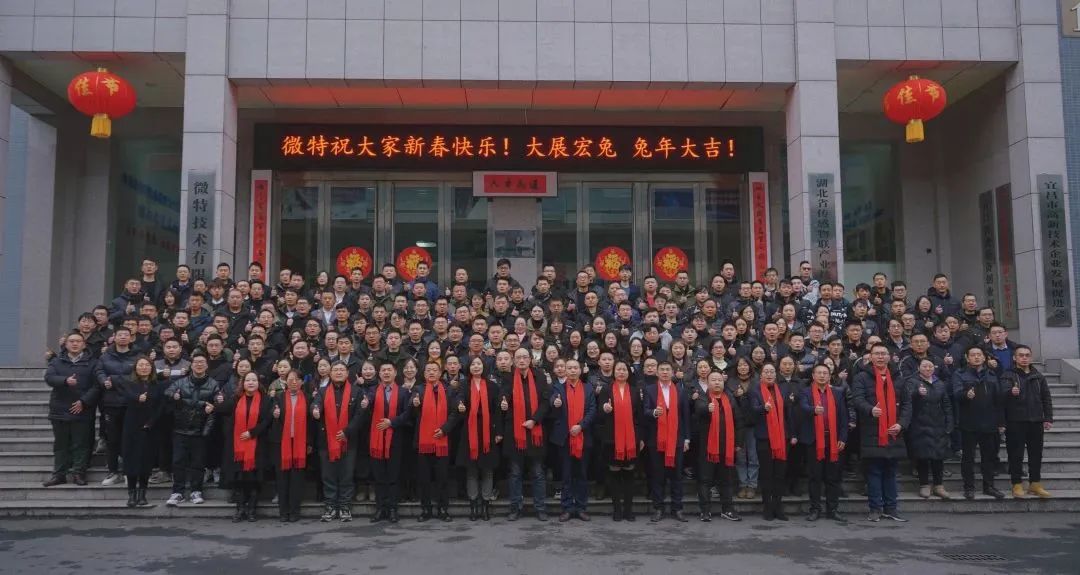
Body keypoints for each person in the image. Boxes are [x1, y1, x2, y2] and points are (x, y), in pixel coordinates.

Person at [852, 343, 912, 522]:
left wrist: (901, 424)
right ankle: (875, 508)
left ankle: (891, 508)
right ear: (870, 357)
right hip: (872, 432)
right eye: (876, 354)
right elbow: (858, 400)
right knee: (874, 472)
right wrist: (870, 409)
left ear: (889, 357)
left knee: (891, 473)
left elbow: (907, 404)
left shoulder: (898, 378)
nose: (880, 357)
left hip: (894, 431)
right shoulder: (862, 377)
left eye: (883, 353)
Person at [43, 332, 101, 487]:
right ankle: (59, 474)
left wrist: (84, 401)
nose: (75, 344)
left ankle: (78, 473)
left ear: (84, 344)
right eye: (72, 341)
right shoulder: (57, 361)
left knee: (81, 444)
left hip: (82, 409)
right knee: (60, 445)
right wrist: (65, 381)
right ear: (66, 344)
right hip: (60, 409)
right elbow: (49, 378)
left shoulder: (93, 363)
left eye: (78, 341)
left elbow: (97, 386)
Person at [163, 353, 221, 506]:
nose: (199, 365)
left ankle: (196, 491)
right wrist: (174, 396)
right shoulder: (180, 382)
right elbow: (167, 392)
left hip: (200, 429)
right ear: (191, 365)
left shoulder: (213, 384)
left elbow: (219, 401)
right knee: (178, 462)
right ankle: (177, 492)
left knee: (198, 463)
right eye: (196, 362)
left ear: (206, 365)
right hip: (180, 428)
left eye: (202, 362)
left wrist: (214, 406)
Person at [501, 348, 551, 521]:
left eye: (524, 357)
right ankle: (515, 508)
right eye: (518, 358)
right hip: (515, 433)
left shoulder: (540, 377)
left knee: (538, 473)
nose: (521, 360)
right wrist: (503, 403)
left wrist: (534, 420)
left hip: (535, 431)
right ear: (514, 361)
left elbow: (545, 402)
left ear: (530, 359)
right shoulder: (507, 378)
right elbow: (503, 398)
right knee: (515, 473)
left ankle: (540, 508)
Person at [311, 362, 366, 522]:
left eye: (342, 370)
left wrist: (347, 431)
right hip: (326, 441)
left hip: (348, 441)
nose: (339, 372)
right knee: (328, 475)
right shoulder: (322, 391)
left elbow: (360, 415)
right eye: (335, 370)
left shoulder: (356, 391)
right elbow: (315, 404)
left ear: (347, 373)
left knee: (346, 475)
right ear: (330, 373)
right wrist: (314, 410)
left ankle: (344, 506)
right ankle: (330, 506)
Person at [1000, 345, 1054, 498]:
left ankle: (1035, 484)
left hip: (1036, 421)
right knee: (1015, 454)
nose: (1024, 358)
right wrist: (1010, 392)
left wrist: (1048, 417)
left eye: (1027, 355)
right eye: (1021, 355)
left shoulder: (1038, 376)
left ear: (1031, 357)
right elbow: (1000, 397)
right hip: (1015, 421)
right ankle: (1016, 484)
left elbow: (1046, 398)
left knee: (1036, 454)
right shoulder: (1007, 375)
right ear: (1014, 358)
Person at [952, 346, 1005, 500]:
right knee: (968, 458)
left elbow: (998, 400)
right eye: (973, 355)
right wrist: (965, 395)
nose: (976, 357)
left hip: (989, 422)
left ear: (984, 358)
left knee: (989, 457)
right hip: (969, 422)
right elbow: (956, 394)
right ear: (967, 358)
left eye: (979, 355)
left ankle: (989, 486)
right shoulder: (960, 374)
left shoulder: (992, 374)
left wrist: (1001, 422)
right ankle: (969, 487)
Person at [799, 363, 848, 522]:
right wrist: (813, 410)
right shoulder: (805, 392)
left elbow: (843, 417)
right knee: (815, 477)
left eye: (825, 373)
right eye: (818, 373)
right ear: (813, 376)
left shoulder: (837, 393)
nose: (822, 376)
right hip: (814, 441)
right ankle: (815, 509)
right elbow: (803, 407)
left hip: (833, 440)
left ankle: (832, 509)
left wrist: (842, 438)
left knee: (833, 477)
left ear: (829, 376)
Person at [221, 372, 272, 522]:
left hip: (257, 445)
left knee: (253, 479)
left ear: (258, 383)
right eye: (247, 380)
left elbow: (267, 420)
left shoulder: (266, 400)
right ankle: (240, 509)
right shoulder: (235, 399)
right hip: (238, 447)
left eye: (254, 380)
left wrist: (252, 432)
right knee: (239, 479)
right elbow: (223, 410)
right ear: (242, 383)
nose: (250, 383)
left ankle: (251, 510)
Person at [644, 361, 690, 522]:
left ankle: (677, 509)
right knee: (658, 476)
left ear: (673, 373)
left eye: (667, 370)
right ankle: (658, 508)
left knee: (677, 476)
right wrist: (653, 412)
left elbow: (685, 416)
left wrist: (686, 438)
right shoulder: (650, 390)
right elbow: (644, 411)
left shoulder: (680, 391)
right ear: (657, 373)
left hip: (677, 439)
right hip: (656, 439)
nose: (664, 372)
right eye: (662, 370)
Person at [694, 370, 743, 522]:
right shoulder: (702, 397)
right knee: (705, 480)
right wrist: (706, 409)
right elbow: (698, 410)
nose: (717, 382)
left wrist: (738, 443)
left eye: (719, 380)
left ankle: (727, 509)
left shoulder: (729, 398)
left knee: (726, 480)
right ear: (707, 383)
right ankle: (705, 511)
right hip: (707, 448)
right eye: (713, 380)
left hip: (727, 447)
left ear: (723, 382)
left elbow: (738, 421)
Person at [550, 359, 596, 522]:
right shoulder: (558, 387)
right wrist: (555, 403)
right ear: (565, 370)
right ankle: (567, 508)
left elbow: (592, 410)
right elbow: (552, 401)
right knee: (566, 475)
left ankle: (581, 507)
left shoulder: (588, 388)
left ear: (580, 370)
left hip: (583, 436)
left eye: (575, 368)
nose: (572, 370)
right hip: (565, 438)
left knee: (582, 475)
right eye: (569, 368)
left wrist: (581, 426)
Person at [413, 362, 459, 522]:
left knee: (442, 478)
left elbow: (454, 413)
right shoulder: (418, 389)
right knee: (424, 478)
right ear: (424, 373)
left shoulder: (448, 390)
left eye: (434, 370)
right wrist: (415, 405)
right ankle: (426, 509)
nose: (431, 372)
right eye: (428, 370)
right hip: (423, 441)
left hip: (442, 440)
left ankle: (443, 509)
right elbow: (412, 411)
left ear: (440, 373)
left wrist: (444, 429)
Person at [597, 361, 643, 521]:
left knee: (629, 474)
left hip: (631, 439)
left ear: (628, 373)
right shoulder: (606, 389)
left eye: (624, 369)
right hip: (612, 438)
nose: (621, 372)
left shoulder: (635, 391)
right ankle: (617, 509)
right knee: (614, 474)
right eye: (618, 369)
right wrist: (605, 409)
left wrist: (640, 437)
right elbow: (599, 413)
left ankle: (628, 510)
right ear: (614, 372)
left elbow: (639, 417)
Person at [458, 356, 502, 521]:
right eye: (473, 364)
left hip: (488, 431)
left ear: (483, 366)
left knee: (487, 469)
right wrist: (460, 405)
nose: (476, 366)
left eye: (479, 364)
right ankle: (473, 505)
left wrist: (498, 432)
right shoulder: (464, 385)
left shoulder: (492, 386)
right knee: (471, 470)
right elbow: (459, 400)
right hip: (469, 431)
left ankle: (485, 505)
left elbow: (497, 411)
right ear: (469, 367)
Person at [95, 326, 140, 487]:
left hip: (131, 402)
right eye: (119, 334)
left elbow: (139, 376)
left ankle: (129, 472)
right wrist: (104, 380)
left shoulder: (138, 356)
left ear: (131, 338)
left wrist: (114, 379)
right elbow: (99, 372)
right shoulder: (105, 356)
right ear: (114, 337)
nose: (123, 337)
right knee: (112, 440)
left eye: (126, 335)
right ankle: (114, 472)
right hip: (111, 403)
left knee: (131, 439)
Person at [368, 362, 412, 523]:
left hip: (396, 439)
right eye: (383, 370)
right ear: (379, 374)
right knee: (379, 476)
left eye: (389, 370)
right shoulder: (372, 391)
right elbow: (367, 408)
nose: (386, 373)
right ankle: (380, 508)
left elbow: (408, 413)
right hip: (376, 439)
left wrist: (392, 422)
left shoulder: (404, 392)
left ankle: (393, 509)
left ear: (395, 373)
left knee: (394, 476)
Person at [907, 358, 953, 500]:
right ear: (919, 368)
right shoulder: (912, 382)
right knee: (922, 456)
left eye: (930, 366)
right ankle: (924, 484)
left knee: (938, 456)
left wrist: (949, 422)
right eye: (925, 366)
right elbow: (906, 400)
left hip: (938, 424)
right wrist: (916, 393)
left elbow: (946, 404)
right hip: (919, 424)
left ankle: (939, 485)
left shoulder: (940, 384)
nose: (928, 369)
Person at [750, 363, 791, 521]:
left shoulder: (782, 390)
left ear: (776, 373)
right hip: (764, 438)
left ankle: (778, 507)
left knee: (780, 474)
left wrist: (792, 434)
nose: (769, 374)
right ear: (761, 375)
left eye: (772, 371)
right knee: (767, 474)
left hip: (781, 438)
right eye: (766, 372)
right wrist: (763, 408)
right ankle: (767, 507)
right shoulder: (755, 390)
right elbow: (753, 410)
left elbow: (788, 413)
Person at [120, 357, 162, 507]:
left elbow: (160, 406)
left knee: (146, 461)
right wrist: (137, 398)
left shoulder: (156, 385)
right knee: (131, 460)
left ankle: (142, 494)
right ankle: (131, 494)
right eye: (141, 365)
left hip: (149, 427)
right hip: (131, 426)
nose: (144, 367)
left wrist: (151, 422)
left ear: (151, 368)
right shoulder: (129, 383)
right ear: (135, 368)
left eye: (147, 365)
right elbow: (126, 397)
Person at [271, 369, 310, 522]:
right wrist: (275, 415)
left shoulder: (307, 397)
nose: (293, 382)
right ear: (285, 381)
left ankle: (294, 511)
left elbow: (311, 423)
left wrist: (309, 443)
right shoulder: (278, 397)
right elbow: (271, 417)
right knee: (282, 479)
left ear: (302, 382)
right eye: (290, 379)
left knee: (297, 479)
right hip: (282, 443)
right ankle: (283, 511)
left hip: (300, 443)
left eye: (297, 379)